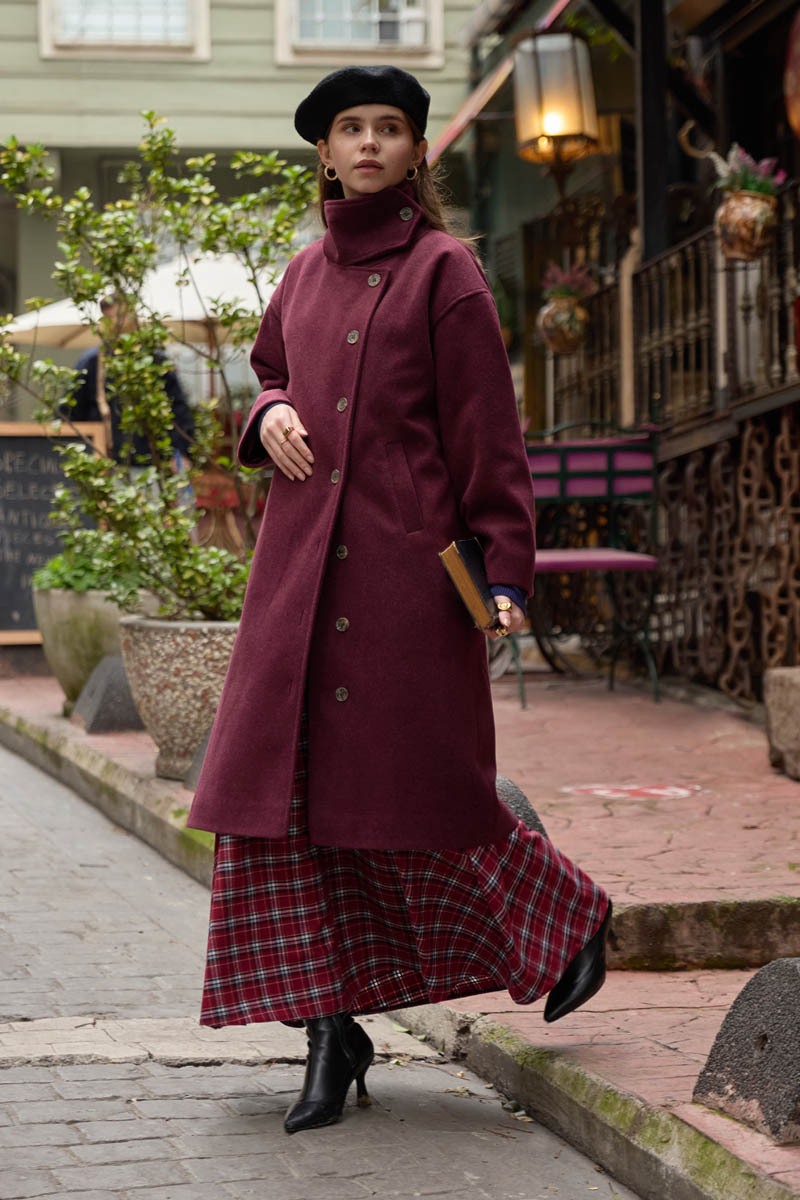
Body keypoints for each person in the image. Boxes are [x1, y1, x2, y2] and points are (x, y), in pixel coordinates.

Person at [187, 65, 611, 1137]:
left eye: (389, 128)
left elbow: (488, 438)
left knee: (427, 791)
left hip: (402, 582)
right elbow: (269, 374)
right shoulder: (301, 272)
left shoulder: (445, 271)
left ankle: (568, 919)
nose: (369, 143)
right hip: (293, 582)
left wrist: (504, 572)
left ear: (417, 151)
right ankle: (331, 1034)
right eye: (350, 128)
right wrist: (266, 415)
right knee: (286, 813)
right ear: (324, 153)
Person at [70, 296, 195, 467]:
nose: (116, 323)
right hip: (102, 461)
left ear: (134, 317)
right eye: (109, 318)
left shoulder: (155, 360)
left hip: (151, 461)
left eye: (121, 316)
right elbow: (72, 411)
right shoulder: (92, 362)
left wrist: (181, 452)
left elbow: (178, 410)